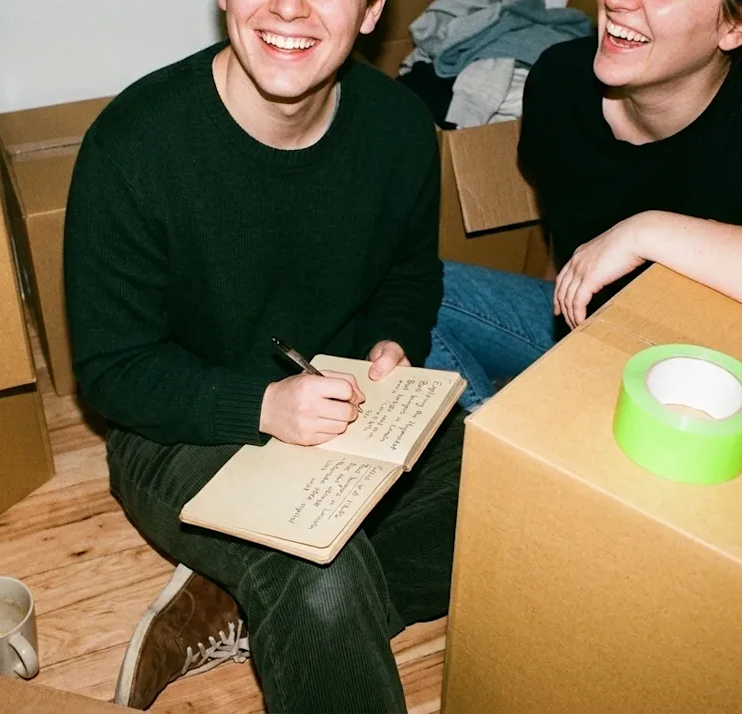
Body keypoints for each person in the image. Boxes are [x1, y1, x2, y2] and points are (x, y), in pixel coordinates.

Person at [63, 1, 464, 711]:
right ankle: (287, 596)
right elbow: (111, 369)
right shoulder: (133, 144)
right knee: (320, 572)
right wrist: (262, 405)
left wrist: (393, 341)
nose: (289, 6)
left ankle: (243, 604)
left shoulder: (400, 126)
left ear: (372, 11)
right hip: (177, 430)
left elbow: (410, 277)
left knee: (497, 493)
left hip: (345, 412)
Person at [426, 0, 742, 411]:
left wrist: (647, 232)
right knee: (406, 291)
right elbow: (565, 239)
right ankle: (490, 447)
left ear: (738, 26)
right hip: (592, 332)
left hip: (712, 379)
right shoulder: (559, 81)